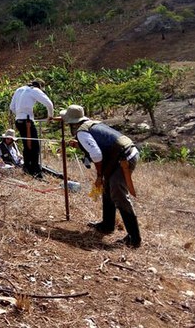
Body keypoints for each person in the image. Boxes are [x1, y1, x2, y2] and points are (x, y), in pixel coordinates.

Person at [60, 104, 142, 248]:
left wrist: (99, 175)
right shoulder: (92, 124)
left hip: (123, 158)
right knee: (108, 189)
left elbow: (97, 155)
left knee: (118, 194)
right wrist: (80, 145)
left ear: (72, 123)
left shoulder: (81, 132)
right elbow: (101, 145)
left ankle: (134, 238)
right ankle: (107, 225)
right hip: (122, 155)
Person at [9, 79, 54, 178]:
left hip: (19, 121)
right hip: (27, 121)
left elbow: (12, 107)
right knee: (34, 147)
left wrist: (20, 114)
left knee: (27, 145)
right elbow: (49, 104)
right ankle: (35, 171)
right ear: (40, 87)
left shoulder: (19, 90)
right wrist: (50, 117)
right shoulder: (35, 90)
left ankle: (27, 168)